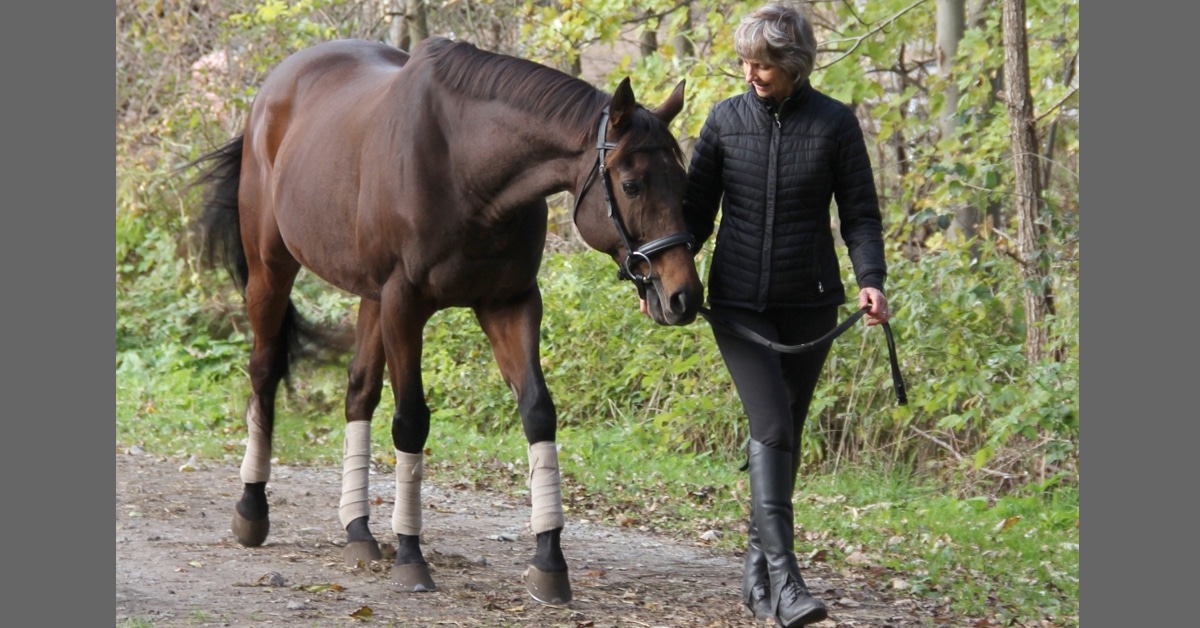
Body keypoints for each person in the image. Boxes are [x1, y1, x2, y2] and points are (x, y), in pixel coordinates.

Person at [641, 3, 891, 626]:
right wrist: (660, 275)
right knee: (773, 428)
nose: (751, 72)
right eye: (746, 62)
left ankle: (756, 578)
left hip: (810, 304)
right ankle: (786, 583)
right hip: (739, 305)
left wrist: (871, 282)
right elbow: (695, 215)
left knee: (781, 440)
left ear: (795, 65)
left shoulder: (835, 124)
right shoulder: (724, 121)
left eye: (764, 64)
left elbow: (859, 214)